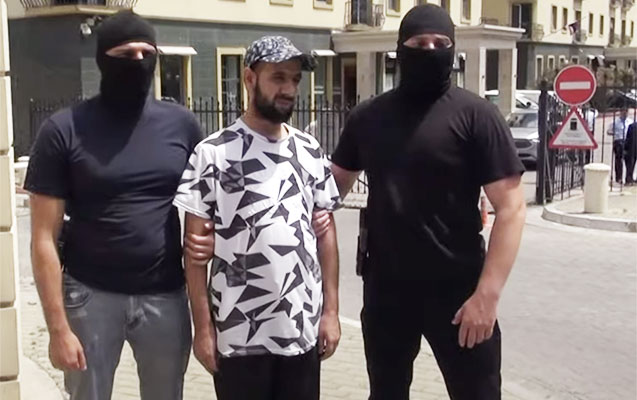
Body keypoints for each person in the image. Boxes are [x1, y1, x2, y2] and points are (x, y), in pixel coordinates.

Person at [314, 5, 526, 399]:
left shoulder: (477, 116)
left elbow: (512, 208)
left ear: (453, 49)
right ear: (400, 49)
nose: (429, 50)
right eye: (418, 42)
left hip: (460, 295)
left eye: (440, 43)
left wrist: (487, 296)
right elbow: (327, 192)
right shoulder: (368, 117)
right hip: (387, 293)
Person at [24, 11, 212, 400]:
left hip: (165, 296)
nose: (139, 62)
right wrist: (58, 329)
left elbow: (208, 205)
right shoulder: (64, 129)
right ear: (103, 59)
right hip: (90, 296)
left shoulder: (182, 125)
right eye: (126, 54)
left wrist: (209, 241)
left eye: (147, 52)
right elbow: (43, 237)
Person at [172, 36, 342, 400]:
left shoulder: (310, 150)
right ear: (250, 79)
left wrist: (331, 311)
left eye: (295, 79)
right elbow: (194, 254)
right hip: (238, 335)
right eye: (278, 77)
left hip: (300, 329)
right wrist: (203, 329)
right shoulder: (212, 154)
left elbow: (326, 236)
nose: (289, 89)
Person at [607, 108, 634, 184]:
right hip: (618, 141)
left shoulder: (630, 121)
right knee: (618, 161)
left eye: (626, 112)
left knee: (629, 160)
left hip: (628, 141)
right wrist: (615, 133)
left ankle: (628, 178)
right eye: (623, 112)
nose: (625, 113)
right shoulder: (615, 122)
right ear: (620, 112)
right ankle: (619, 178)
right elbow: (609, 131)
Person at [624, 120, 637, 185]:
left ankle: (629, 179)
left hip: (632, 148)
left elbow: (627, 139)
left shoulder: (632, 126)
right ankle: (629, 179)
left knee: (630, 165)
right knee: (630, 164)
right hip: (632, 148)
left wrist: (625, 148)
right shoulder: (632, 126)